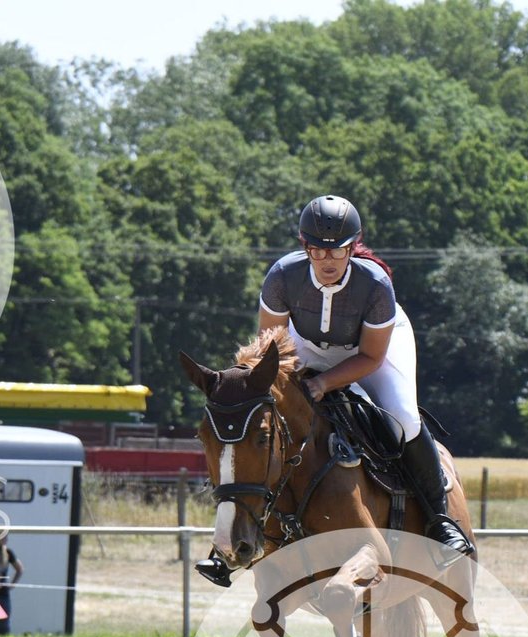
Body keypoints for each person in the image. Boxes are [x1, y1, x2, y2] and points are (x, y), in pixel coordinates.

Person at [195, 194, 474, 586]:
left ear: (352, 247)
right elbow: (269, 349)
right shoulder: (282, 277)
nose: (328, 260)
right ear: (305, 247)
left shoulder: (375, 284)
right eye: (318, 250)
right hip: (306, 345)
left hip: (371, 348)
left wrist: (324, 382)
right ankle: (231, 541)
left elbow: (371, 357)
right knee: (268, 418)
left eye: (338, 250)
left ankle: (440, 522)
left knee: (404, 419)